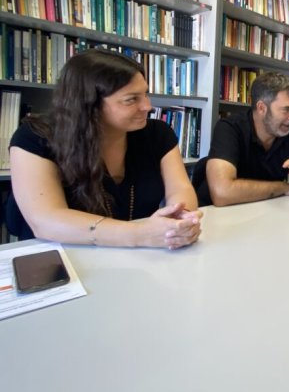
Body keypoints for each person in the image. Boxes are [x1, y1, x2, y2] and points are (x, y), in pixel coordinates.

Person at [7, 49, 202, 249]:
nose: (147, 106)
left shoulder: (157, 133)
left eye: (145, 94)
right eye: (131, 99)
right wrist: (139, 234)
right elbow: (45, 221)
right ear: (89, 105)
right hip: (56, 255)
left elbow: (180, 188)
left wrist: (181, 219)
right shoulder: (35, 138)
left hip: (137, 254)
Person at [196, 72, 289, 206]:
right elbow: (222, 193)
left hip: (261, 210)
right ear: (261, 108)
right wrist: (284, 188)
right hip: (215, 215)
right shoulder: (229, 128)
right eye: (286, 109)